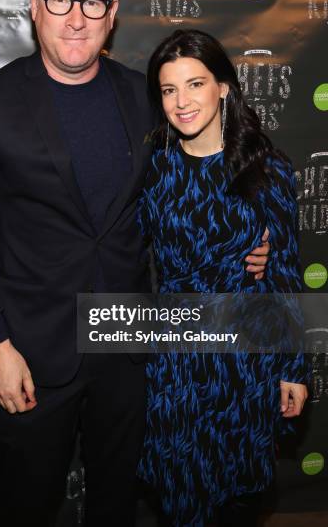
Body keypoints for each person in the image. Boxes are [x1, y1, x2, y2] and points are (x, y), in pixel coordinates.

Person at [0, 0, 269, 527]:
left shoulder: (142, 96)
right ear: (35, 3)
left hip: (130, 344)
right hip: (30, 348)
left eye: (92, 3)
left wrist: (251, 233)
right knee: (28, 502)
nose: (75, 19)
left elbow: (195, 178)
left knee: (118, 501)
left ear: (111, 14)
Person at [137, 29, 309, 527]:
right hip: (176, 363)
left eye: (195, 84)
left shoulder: (266, 169)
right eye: (169, 90)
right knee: (180, 496)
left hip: (244, 362)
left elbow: (285, 277)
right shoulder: (156, 170)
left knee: (235, 499)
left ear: (224, 87)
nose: (182, 102)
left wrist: (293, 368)